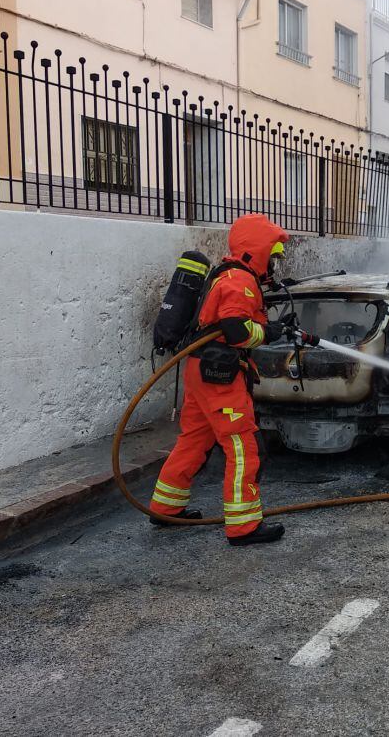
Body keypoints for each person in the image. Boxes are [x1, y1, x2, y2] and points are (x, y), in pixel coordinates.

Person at [149, 214, 292, 546]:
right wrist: (268, 333)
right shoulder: (240, 281)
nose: (274, 264)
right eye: (272, 255)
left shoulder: (230, 276)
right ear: (257, 250)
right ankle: (243, 527)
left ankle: (166, 507)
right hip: (219, 377)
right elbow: (236, 330)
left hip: (202, 372)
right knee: (243, 446)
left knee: (194, 441)